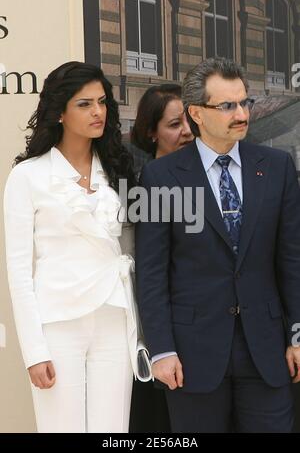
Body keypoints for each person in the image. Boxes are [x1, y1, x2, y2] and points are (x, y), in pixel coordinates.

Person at [135, 57, 300, 433]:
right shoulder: (160, 177)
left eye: (245, 102)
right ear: (197, 112)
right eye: (227, 105)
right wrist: (161, 349)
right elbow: (152, 271)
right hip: (192, 356)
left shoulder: (277, 167)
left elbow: (293, 260)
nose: (241, 113)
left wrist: (298, 334)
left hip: (267, 351)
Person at [3, 61, 138, 433]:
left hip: (114, 317)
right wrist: (34, 351)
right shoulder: (27, 176)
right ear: (59, 111)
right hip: (58, 323)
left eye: (101, 102)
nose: (97, 111)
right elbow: (18, 270)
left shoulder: (116, 169)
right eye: (84, 104)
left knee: (113, 433)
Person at [122, 84, 194, 433]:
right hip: (157, 333)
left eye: (189, 121)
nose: (186, 132)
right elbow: (146, 268)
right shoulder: (139, 188)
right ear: (151, 132)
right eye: (174, 124)